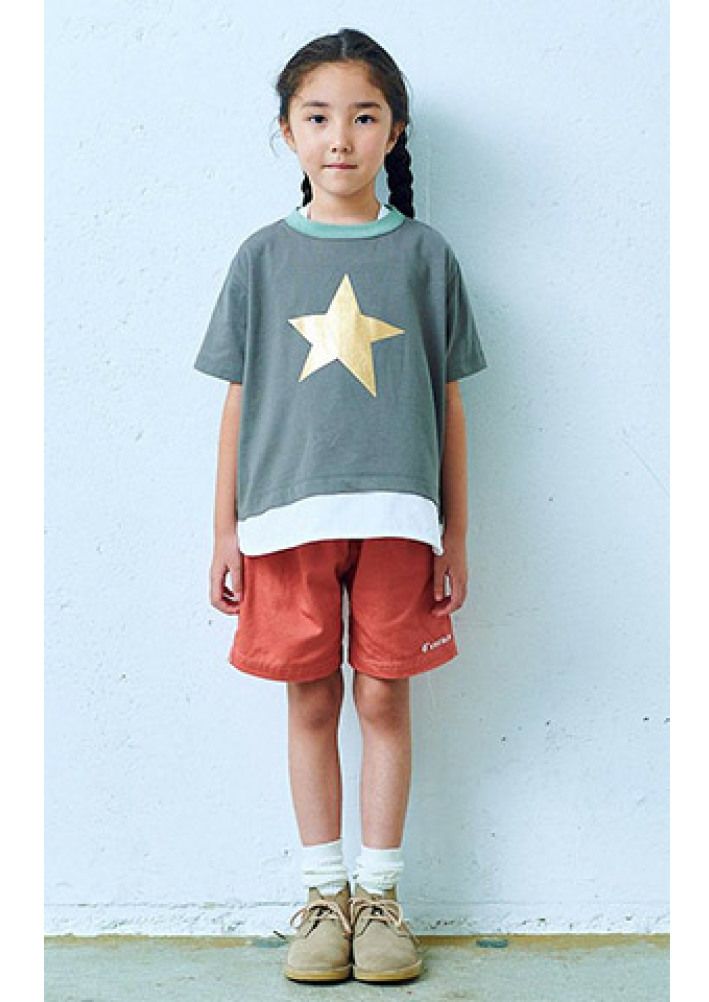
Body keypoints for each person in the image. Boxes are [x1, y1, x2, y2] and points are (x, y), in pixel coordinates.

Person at [193, 27, 487, 984]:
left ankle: (380, 896)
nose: (340, 138)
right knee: (311, 696)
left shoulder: (426, 256)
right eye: (318, 117)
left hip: (400, 520)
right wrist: (224, 529)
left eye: (364, 117)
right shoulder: (261, 258)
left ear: (393, 132)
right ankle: (323, 897)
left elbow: (448, 403)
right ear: (287, 131)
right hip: (284, 523)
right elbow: (238, 401)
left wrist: (455, 531)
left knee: (384, 695)